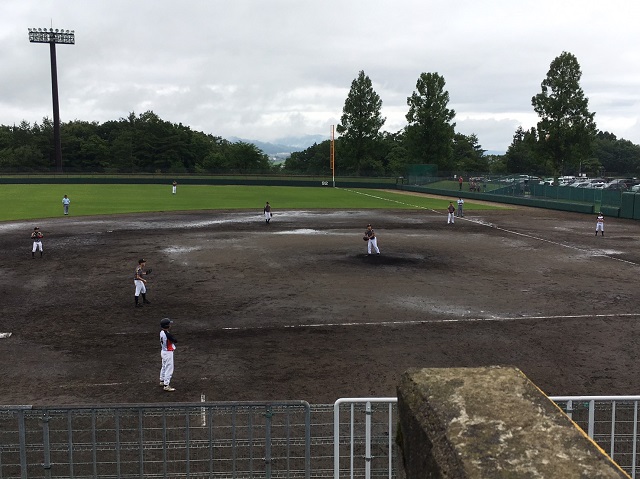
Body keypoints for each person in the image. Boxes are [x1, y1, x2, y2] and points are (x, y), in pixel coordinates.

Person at [159, 318, 177, 392]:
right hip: (168, 353)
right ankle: (166, 385)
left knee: (164, 366)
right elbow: (175, 340)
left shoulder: (162, 332)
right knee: (169, 368)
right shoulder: (167, 334)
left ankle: (162, 380)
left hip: (163, 351)